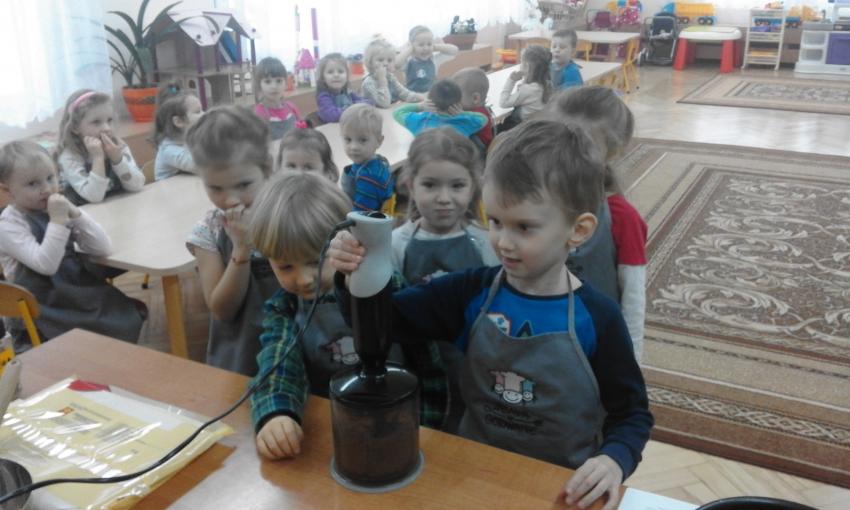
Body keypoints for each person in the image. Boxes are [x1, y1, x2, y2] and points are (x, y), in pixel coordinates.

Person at [329, 120, 652, 510]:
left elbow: (632, 413)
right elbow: (384, 323)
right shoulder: (470, 293)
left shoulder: (599, 318)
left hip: (560, 488)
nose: (503, 242)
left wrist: (614, 459)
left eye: (524, 227)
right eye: (496, 221)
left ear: (578, 230)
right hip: (473, 475)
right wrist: (354, 273)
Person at [247, 171, 406, 459]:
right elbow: (277, 363)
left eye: (315, 261)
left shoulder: (385, 286)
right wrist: (276, 413)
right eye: (285, 267)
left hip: (397, 419)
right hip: (333, 426)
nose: (304, 279)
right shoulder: (285, 307)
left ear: (345, 243)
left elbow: (422, 353)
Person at [391, 126, 500, 431]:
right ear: (411, 186)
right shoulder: (396, 245)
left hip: (476, 371)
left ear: (473, 187)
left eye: (457, 185)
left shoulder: (487, 244)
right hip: (416, 374)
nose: (444, 198)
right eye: (430, 185)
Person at [0, 141, 145, 348]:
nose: (46, 189)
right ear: (7, 191)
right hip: (40, 308)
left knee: (124, 319)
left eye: (50, 178)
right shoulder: (8, 225)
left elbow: (102, 248)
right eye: (32, 184)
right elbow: (46, 265)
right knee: (76, 346)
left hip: (75, 292)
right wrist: (58, 221)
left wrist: (76, 215)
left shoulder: (54, 207)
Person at [546, 86, 647, 361]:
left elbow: (633, 298)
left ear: (612, 151)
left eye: (584, 148)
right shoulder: (538, 200)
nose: (569, 156)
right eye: (559, 141)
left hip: (596, 342)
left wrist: (630, 361)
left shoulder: (622, 217)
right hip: (542, 335)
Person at [185, 106, 279, 375]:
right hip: (242, 357)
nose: (230, 200)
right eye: (215, 188)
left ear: (267, 168)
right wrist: (241, 248)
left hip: (295, 346)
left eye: (243, 185)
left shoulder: (286, 215)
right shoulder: (209, 232)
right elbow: (221, 310)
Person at [55, 89, 145, 205]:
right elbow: (94, 197)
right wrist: (98, 158)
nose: (107, 128)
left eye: (109, 120)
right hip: (86, 212)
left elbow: (137, 185)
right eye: (96, 122)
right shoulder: (69, 157)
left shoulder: (117, 146)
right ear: (75, 127)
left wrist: (118, 160)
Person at [339, 104, 392, 212]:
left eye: (362, 140)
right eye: (348, 139)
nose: (353, 147)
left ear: (379, 141)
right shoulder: (372, 161)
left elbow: (361, 215)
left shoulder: (369, 177)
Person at [393, 79, 488, 138]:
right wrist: (462, 113)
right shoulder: (464, 121)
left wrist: (420, 106)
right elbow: (484, 119)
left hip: (425, 164)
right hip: (456, 164)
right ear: (459, 103)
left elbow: (397, 112)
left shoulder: (419, 120)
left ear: (430, 101)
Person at [152, 84, 203, 180]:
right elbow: (202, 167)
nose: (204, 114)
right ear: (179, 121)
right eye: (198, 112)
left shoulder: (191, 137)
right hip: (169, 189)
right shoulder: (168, 149)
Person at [499, 45, 553, 131]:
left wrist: (511, 80)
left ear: (527, 67)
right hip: (537, 128)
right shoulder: (548, 84)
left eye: (521, 62)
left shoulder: (528, 90)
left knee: (496, 128)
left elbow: (503, 103)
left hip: (521, 128)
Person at [360, 37, 425, 108]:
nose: (385, 63)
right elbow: (384, 104)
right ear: (370, 63)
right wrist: (382, 82)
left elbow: (403, 93)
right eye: (380, 60)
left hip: (390, 111)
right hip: (376, 113)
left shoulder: (390, 77)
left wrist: (420, 97)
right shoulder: (369, 83)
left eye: (389, 60)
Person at [253, 57, 305, 140]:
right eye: (267, 81)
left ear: (286, 83)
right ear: (259, 85)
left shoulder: (291, 107)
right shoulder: (260, 113)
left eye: (279, 81)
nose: (274, 86)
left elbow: (302, 131)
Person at [396, 25, 458, 93]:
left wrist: (435, 47)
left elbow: (454, 51)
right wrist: (410, 50)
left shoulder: (434, 60)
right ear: (412, 45)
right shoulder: (408, 61)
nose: (425, 48)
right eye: (421, 45)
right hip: (413, 96)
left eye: (429, 44)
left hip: (431, 95)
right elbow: (396, 64)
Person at [315, 53, 372, 124]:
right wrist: (354, 107)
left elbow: (369, 103)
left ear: (347, 76)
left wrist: (356, 106)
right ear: (323, 78)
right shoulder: (323, 96)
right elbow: (332, 116)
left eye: (340, 71)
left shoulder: (347, 92)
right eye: (330, 72)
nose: (336, 75)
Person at [452, 67, 495, 151]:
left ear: (475, 98)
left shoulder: (479, 115)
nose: (453, 100)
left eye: (456, 96)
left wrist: (459, 114)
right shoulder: (473, 108)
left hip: (482, 153)